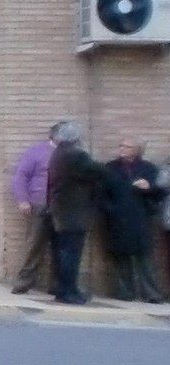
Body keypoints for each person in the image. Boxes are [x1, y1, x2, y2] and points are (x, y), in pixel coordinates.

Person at [101, 140, 167, 303]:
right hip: (118, 219)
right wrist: (112, 210)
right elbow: (101, 194)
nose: (122, 149)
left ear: (136, 150)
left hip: (141, 219)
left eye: (127, 147)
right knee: (121, 257)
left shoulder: (148, 168)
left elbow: (160, 193)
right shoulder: (110, 168)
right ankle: (126, 293)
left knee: (144, 258)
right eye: (121, 146)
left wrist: (149, 187)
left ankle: (151, 294)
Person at [47, 120, 100, 306]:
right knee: (71, 254)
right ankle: (67, 291)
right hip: (73, 212)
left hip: (62, 211)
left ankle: (66, 289)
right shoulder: (75, 155)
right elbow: (97, 172)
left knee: (64, 252)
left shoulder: (59, 153)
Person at [8, 127, 57, 296]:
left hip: (62, 207)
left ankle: (56, 285)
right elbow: (21, 176)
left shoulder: (72, 153)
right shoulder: (37, 152)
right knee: (35, 245)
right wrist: (22, 199)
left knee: (60, 248)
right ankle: (23, 283)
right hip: (39, 204)